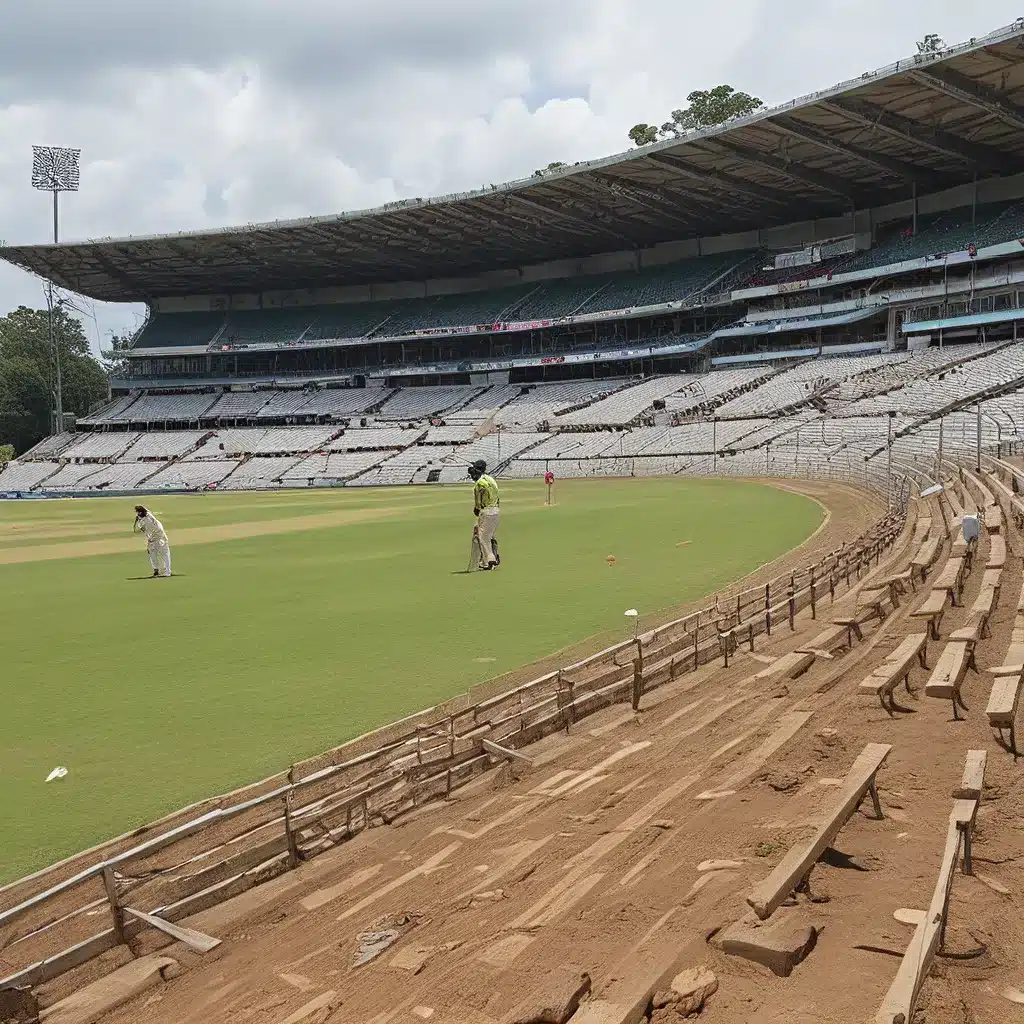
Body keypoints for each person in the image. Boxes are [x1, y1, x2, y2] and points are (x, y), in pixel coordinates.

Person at [468, 460, 500, 570]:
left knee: (483, 537)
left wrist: (476, 510)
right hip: (496, 510)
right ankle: (491, 556)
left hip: (486, 511)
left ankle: (490, 561)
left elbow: (478, 502)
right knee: (489, 535)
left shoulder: (479, 484)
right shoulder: (491, 479)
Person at [134, 505, 172, 578]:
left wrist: (137, 520)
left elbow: (136, 530)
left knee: (161, 554)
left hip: (156, 538)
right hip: (159, 536)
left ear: (140, 513)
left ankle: (163, 571)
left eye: (137, 512)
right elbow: (145, 509)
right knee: (163, 554)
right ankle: (163, 571)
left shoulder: (144, 522)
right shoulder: (149, 514)